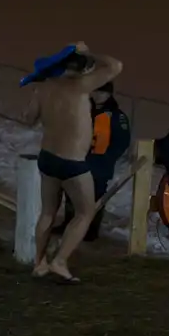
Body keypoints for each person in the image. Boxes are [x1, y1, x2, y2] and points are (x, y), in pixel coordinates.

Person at [22, 42, 122, 283]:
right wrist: (89, 52)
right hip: (72, 162)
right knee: (86, 212)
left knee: (47, 212)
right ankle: (59, 261)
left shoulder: (43, 88)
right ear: (85, 69)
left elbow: (28, 120)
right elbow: (116, 65)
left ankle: (39, 263)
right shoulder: (81, 86)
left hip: (47, 157)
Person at [51, 81, 132, 241]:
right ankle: (69, 224)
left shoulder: (117, 116)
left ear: (109, 94)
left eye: (102, 92)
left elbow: (121, 142)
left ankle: (91, 230)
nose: (98, 95)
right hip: (77, 161)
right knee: (71, 193)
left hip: (99, 166)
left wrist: (105, 158)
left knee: (94, 197)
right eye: (96, 91)